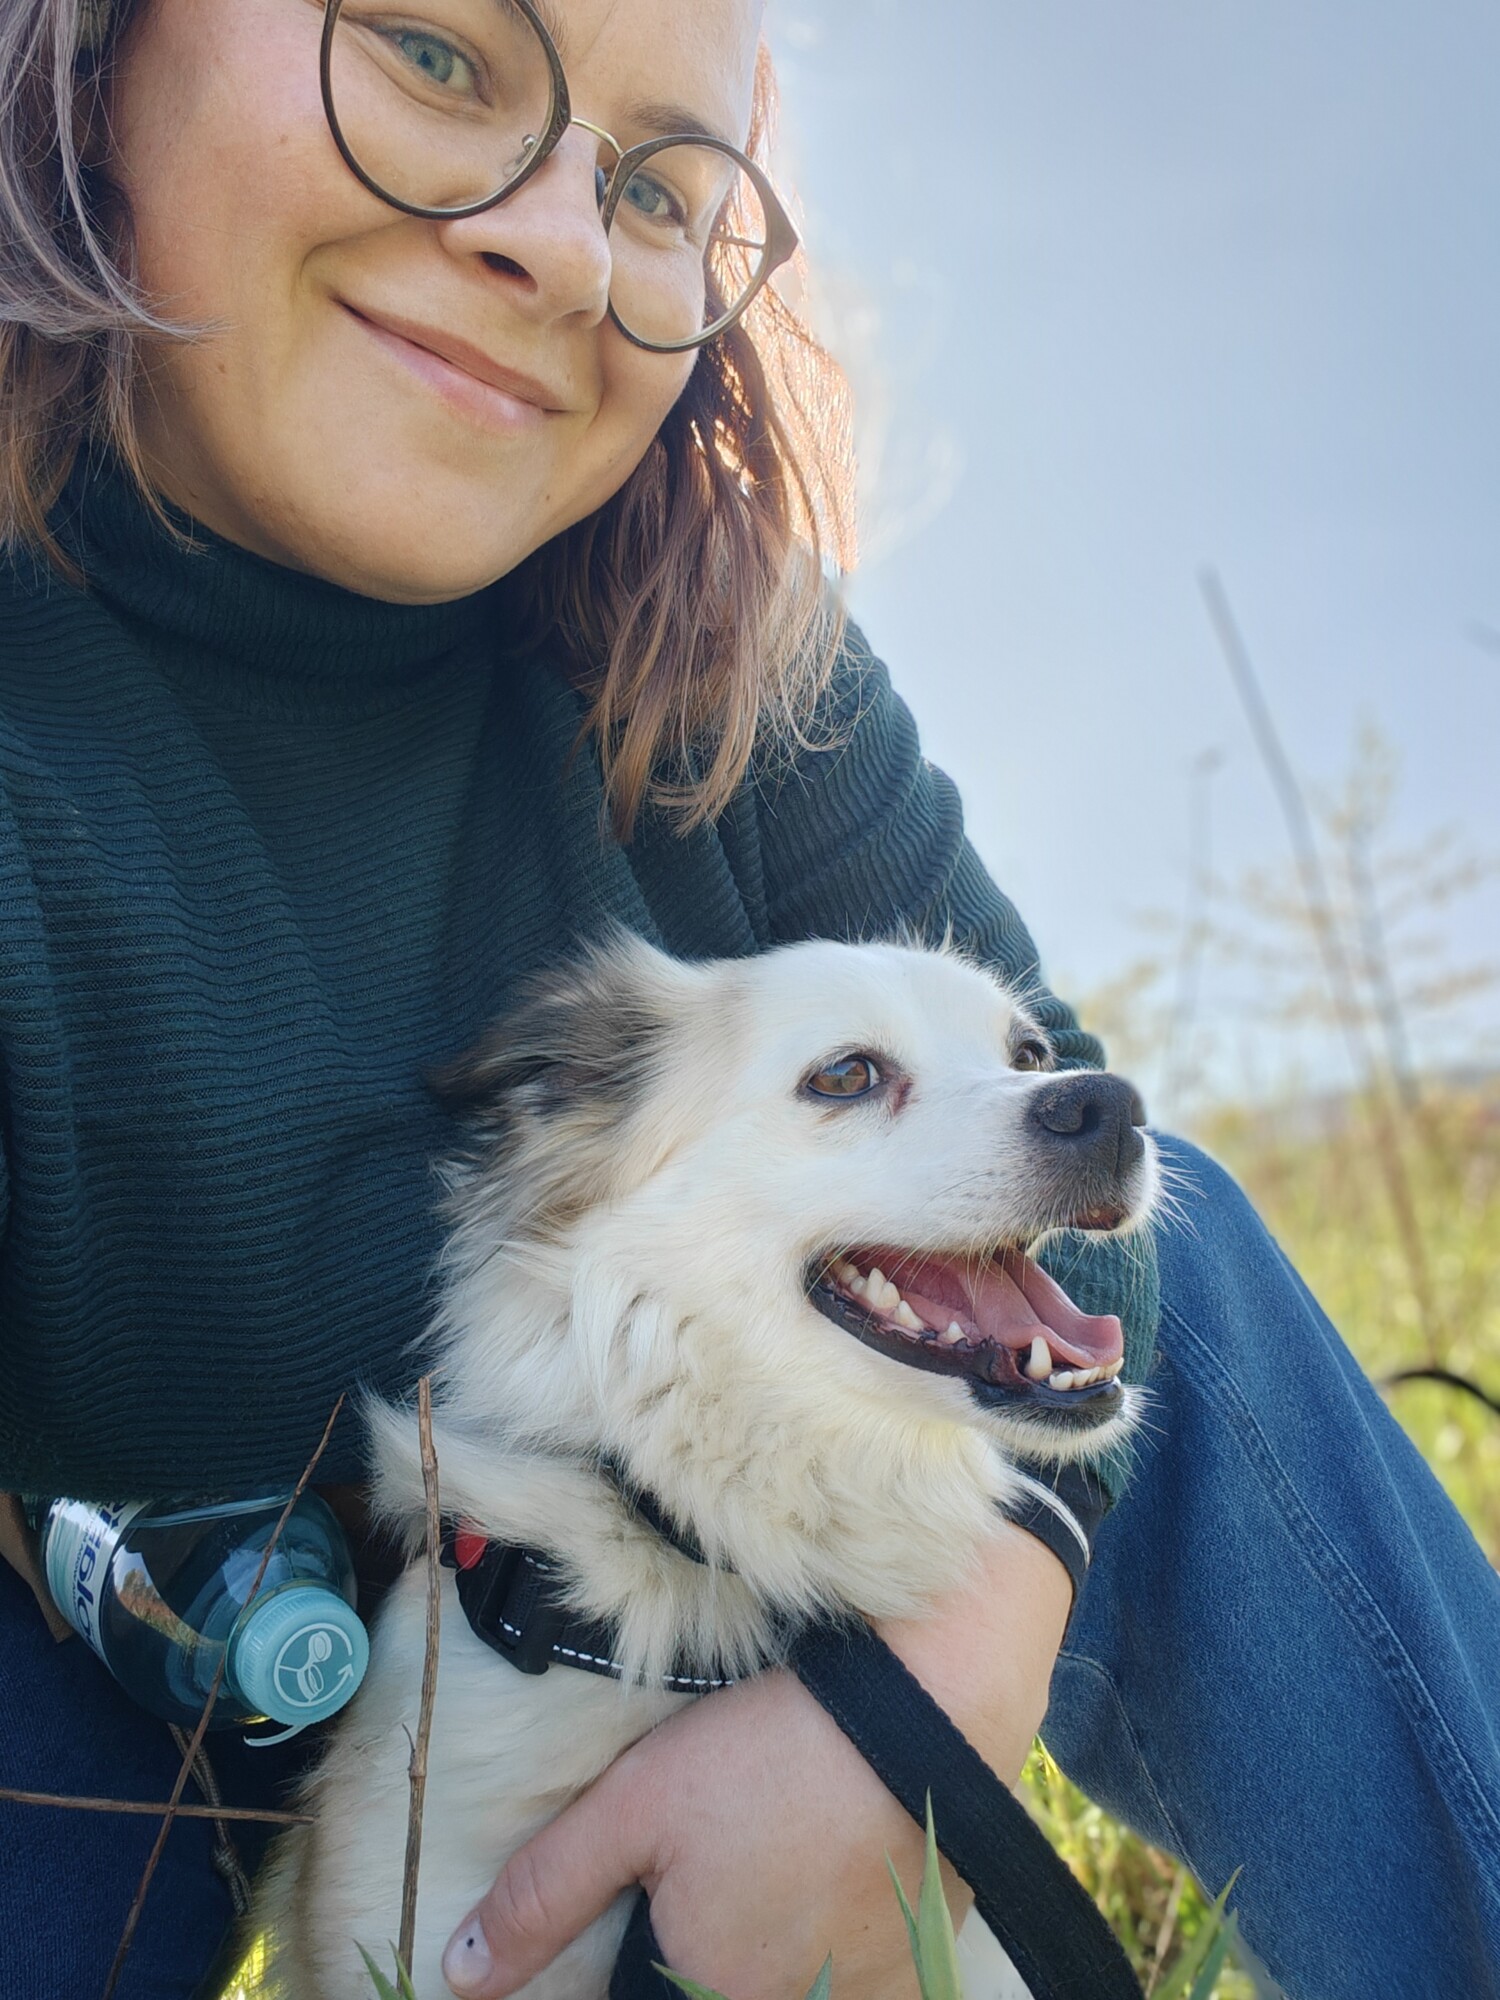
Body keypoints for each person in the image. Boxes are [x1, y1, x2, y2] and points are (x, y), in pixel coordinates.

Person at [0, 0, 1495, 1996]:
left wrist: (924, 1687)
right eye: (435, 53)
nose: (564, 245)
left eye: (660, 186)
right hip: (108, 1636)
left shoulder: (719, 655)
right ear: (86, 46)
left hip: (688, 1560)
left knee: (1168, 1267)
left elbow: (1066, 1136)